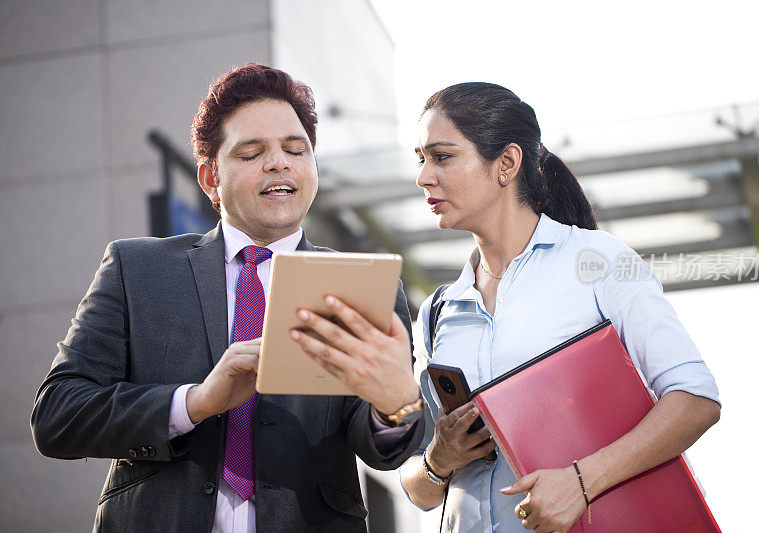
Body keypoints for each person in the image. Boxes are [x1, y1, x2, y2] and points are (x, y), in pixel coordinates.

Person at [300, 82, 721, 533]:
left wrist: (581, 483)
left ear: (506, 163)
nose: (423, 177)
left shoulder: (598, 261)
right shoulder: (440, 310)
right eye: (420, 159)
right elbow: (417, 490)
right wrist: (440, 459)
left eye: (441, 157)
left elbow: (696, 398)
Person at [30, 63, 424, 533]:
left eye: (296, 149)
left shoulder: (365, 285)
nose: (279, 162)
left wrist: (395, 406)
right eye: (252, 152)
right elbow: (58, 415)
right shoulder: (136, 270)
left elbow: (385, 446)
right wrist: (194, 402)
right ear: (209, 178)